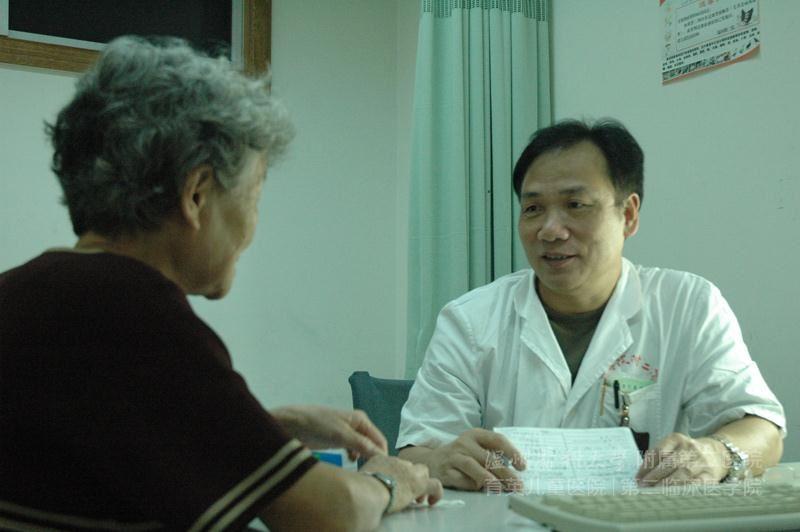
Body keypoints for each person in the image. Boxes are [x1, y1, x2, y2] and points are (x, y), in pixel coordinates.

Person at [0, 36, 441, 531]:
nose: (253, 225)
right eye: (253, 196)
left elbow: (97, 451)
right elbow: (328, 513)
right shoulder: (141, 318)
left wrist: (265, 429)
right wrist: (389, 481)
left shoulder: (23, 295)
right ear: (196, 195)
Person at [396, 118, 786, 491]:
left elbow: (762, 429)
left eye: (576, 204)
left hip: (641, 522)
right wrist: (441, 461)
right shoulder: (470, 320)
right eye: (533, 209)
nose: (550, 230)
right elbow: (417, 450)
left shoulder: (688, 306)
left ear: (628, 215)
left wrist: (717, 454)